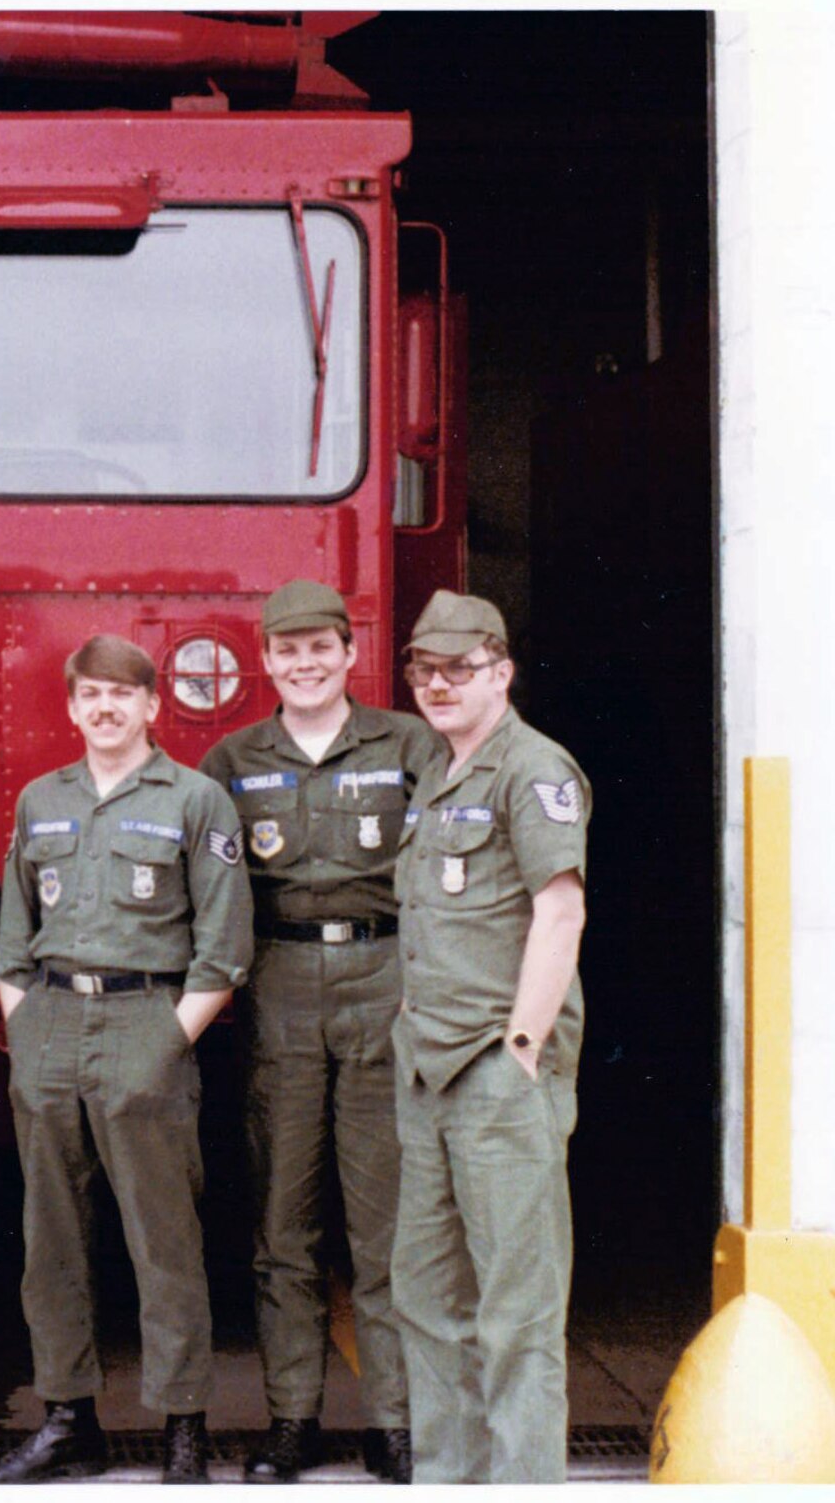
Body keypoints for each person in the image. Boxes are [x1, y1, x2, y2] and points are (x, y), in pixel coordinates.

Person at [0, 634, 252, 1485]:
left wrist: (166, 1042)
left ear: (150, 706)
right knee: (50, 1238)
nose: (105, 707)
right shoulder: (41, 799)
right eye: (90, 694)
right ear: (71, 707)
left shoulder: (195, 798)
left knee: (162, 1237)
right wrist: (27, 1035)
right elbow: (13, 935)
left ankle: (180, 1422)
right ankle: (67, 1416)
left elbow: (225, 946)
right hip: (52, 1024)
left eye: (122, 694)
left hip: (147, 1020)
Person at [198, 580, 439, 1485]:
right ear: (267, 660)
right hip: (281, 987)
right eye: (287, 650)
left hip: (386, 980)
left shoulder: (406, 745)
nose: (303, 664)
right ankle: (291, 1419)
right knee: (284, 1223)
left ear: (348, 652)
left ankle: (396, 1420)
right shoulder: (231, 759)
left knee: (387, 1224)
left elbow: (437, 871)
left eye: (320, 648)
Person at [391, 590, 590, 1484]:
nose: (438, 684)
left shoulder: (532, 767)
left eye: (458, 669)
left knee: (515, 1313)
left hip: (493, 1070)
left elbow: (561, 910)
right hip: (428, 1068)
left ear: (501, 671)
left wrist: (522, 1047)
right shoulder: (438, 772)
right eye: (424, 670)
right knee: (429, 1301)